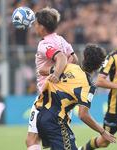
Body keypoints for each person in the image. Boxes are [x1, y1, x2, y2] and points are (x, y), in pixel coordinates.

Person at [35, 44, 117, 150]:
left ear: (84, 58)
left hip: (42, 116)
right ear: (100, 66)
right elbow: (83, 114)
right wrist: (102, 131)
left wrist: (62, 58)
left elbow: (42, 70)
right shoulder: (89, 86)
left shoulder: (66, 66)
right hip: (56, 121)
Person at [25, 6, 78, 150]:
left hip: (48, 99)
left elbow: (60, 57)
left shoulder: (44, 44)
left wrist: (56, 73)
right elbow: (74, 58)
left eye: (36, 24)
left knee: (32, 140)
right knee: (55, 142)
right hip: (64, 99)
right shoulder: (61, 39)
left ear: (42, 27)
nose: (34, 27)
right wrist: (62, 61)